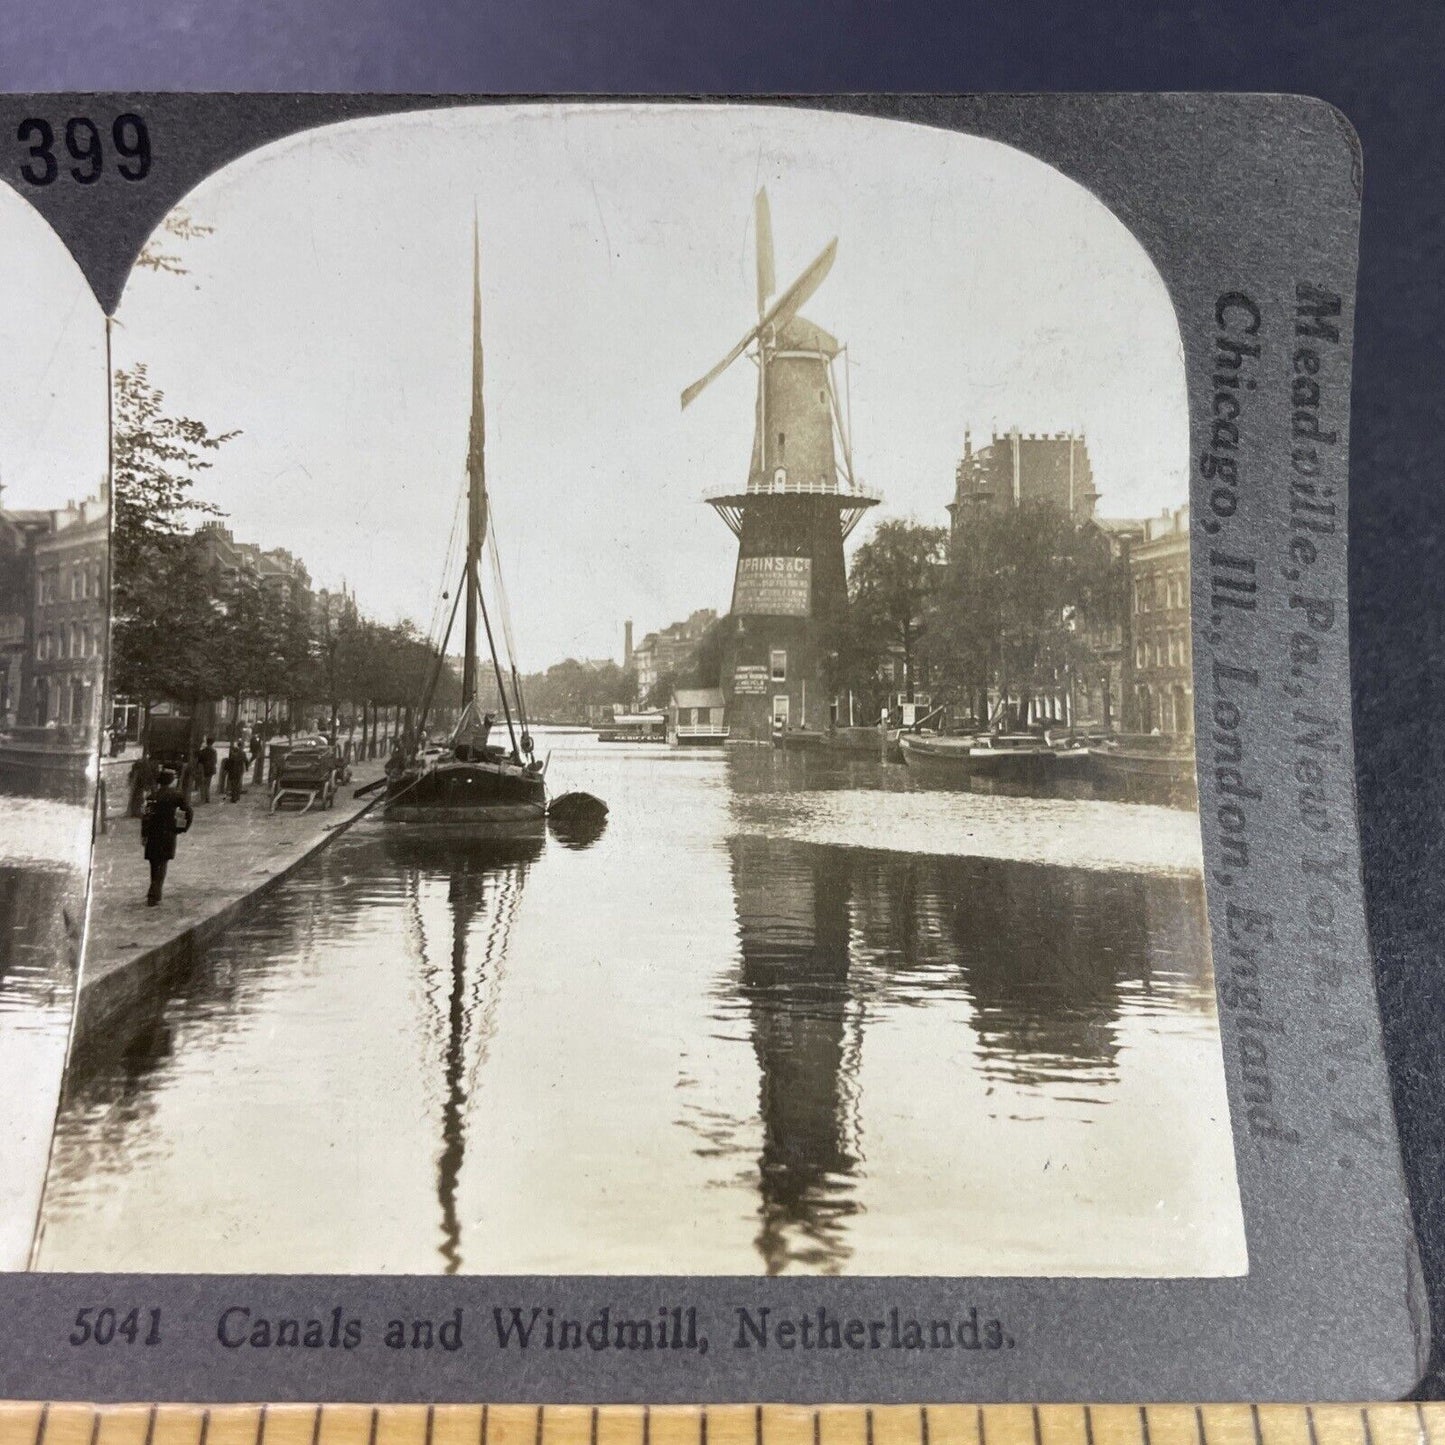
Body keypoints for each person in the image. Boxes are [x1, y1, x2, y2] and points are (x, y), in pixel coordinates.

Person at [141, 768, 192, 906]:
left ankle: (154, 893)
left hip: (153, 834)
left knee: (154, 864)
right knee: (162, 864)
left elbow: (146, 817)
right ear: (171, 781)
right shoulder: (176, 796)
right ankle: (154, 894)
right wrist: (181, 827)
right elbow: (187, 812)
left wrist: (144, 834)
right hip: (168, 833)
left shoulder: (151, 797)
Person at [127, 753, 159, 818]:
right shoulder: (149, 767)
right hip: (143, 779)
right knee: (142, 797)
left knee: (140, 796)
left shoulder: (147, 766)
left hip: (142, 780)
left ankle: (136, 811)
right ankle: (138, 812)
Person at [196, 736, 218, 804]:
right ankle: (207, 798)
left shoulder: (202, 751)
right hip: (210, 769)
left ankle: (203, 798)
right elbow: (215, 761)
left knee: (202, 784)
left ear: (206, 742)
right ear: (212, 743)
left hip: (203, 769)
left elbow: (199, 762)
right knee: (208, 784)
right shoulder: (214, 751)